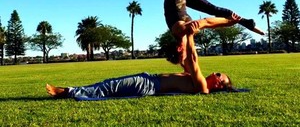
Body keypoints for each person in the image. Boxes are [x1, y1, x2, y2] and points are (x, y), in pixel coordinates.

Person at [46, 71, 233, 99]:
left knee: (108, 87)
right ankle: (70, 91)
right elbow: (186, 60)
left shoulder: (202, 86)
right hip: (148, 79)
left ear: (218, 85)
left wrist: (189, 34)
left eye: (220, 77)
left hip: (148, 85)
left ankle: (66, 92)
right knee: (107, 85)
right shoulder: (197, 78)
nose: (215, 74)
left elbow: (192, 58)